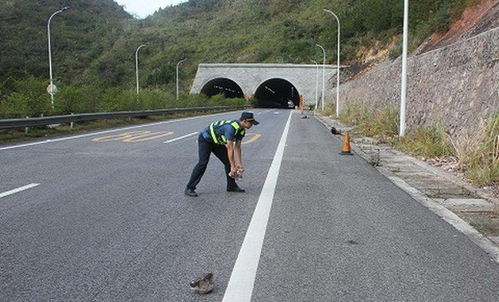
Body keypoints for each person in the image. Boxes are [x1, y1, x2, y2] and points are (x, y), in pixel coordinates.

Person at [184, 111, 259, 197]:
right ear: (245, 121)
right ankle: (189, 187)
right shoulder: (231, 128)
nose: (252, 125)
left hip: (216, 142)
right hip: (205, 139)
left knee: (228, 161)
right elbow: (230, 148)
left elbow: (237, 147)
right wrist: (233, 166)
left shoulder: (241, 130)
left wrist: (239, 163)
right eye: (251, 123)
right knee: (203, 163)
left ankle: (231, 186)